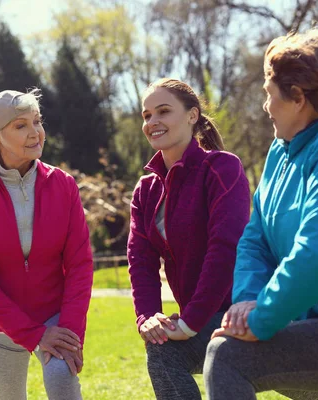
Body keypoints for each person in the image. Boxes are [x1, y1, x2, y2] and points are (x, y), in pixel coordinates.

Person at [204, 27, 318, 400]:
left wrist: (262, 319)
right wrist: (246, 302)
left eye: (270, 95)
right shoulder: (281, 150)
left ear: (299, 97)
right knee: (269, 360)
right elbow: (256, 238)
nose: (266, 106)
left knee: (229, 357)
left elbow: (316, 255)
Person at [0, 89, 93, 400]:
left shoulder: (64, 185)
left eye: (38, 121)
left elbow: (80, 264)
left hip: (54, 315)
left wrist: (69, 332)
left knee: (61, 378)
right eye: (21, 125)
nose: (36, 133)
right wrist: (33, 335)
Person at [127, 78, 251, 399]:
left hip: (246, 311)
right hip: (204, 320)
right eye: (146, 115)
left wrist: (191, 321)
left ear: (192, 115)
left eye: (163, 111)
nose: (152, 122)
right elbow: (140, 262)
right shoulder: (145, 191)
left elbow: (224, 249)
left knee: (306, 385)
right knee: (163, 352)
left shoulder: (222, 168)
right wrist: (148, 317)